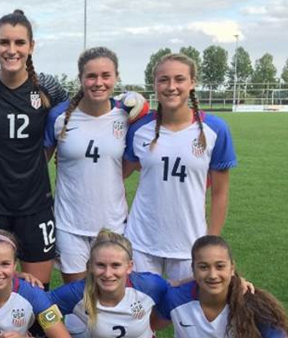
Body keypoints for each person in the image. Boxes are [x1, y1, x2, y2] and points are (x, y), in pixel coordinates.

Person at [0, 9, 68, 289]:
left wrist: (130, 109)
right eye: (4, 43)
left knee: (38, 289)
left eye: (19, 43)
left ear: (31, 46)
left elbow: (77, 114)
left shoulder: (47, 86)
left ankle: (31, 335)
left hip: (34, 203)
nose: (12, 50)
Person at [123, 53, 237, 281]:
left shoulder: (215, 129)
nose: (171, 86)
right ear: (154, 84)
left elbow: (220, 193)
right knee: (140, 313)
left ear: (192, 83)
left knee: (185, 312)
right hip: (141, 240)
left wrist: (210, 244)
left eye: (179, 79)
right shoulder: (138, 129)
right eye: (163, 80)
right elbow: (119, 174)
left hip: (190, 243)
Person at [44, 47, 148, 284]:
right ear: (80, 78)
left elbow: (127, 168)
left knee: (110, 295)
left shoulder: (128, 117)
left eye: (106, 76)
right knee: (78, 301)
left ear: (116, 77)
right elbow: (38, 164)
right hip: (69, 225)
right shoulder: (59, 117)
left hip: (113, 225)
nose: (98, 82)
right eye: (91, 76)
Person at [48, 229, 169, 338]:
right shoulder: (78, 293)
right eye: (100, 265)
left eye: (116, 265)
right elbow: (38, 304)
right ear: (90, 266)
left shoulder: (149, 286)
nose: (107, 274)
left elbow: (175, 296)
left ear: (129, 266)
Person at [160, 235, 288, 337]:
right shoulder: (175, 298)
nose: (213, 275)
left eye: (220, 266)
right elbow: (148, 324)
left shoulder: (253, 303)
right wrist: (179, 282)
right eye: (203, 267)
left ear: (232, 268)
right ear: (193, 270)